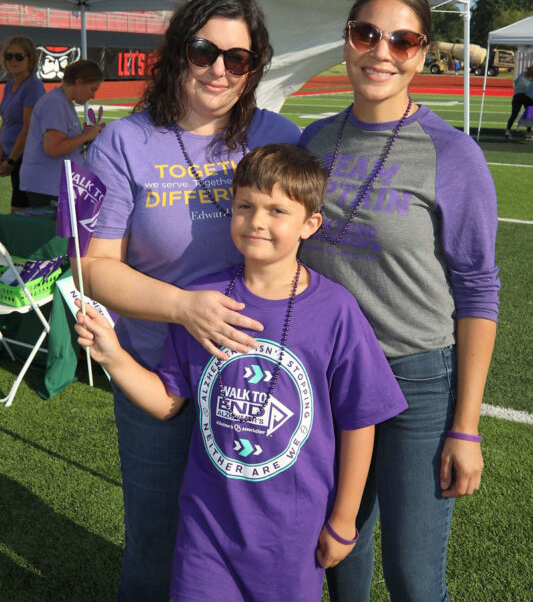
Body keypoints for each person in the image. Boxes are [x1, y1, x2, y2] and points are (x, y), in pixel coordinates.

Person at [75, 143, 407, 602]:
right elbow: (167, 401)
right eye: (245, 205)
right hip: (206, 530)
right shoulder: (203, 302)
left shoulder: (335, 312)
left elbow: (360, 420)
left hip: (293, 537)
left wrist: (345, 519)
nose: (257, 221)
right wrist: (111, 354)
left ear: (310, 224)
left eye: (277, 210)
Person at [76, 0, 302, 602]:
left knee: (251, 540)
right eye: (205, 51)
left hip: (254, 380)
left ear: (255, 68)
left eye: (239, 58)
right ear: (178, 52)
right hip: (156, 371)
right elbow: (94, 267)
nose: (219, 70)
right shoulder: (123, 142)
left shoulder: (281, 135)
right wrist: (184, 307)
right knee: (154, 543)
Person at [299, 0, 500, 602]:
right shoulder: (316, 139)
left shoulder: (453, 153)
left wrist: (465, 427)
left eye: (403, 42)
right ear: (346, 40)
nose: (381, 52)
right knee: (339, 562)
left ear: (421, 54)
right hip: (329, 378)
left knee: (414, 577)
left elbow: (477, 289)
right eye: (367, 33)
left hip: (416, 378)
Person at [20, 59, 104, 207]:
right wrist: (86, 136)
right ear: (79, 81)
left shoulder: (62, 102)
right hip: (47, 187)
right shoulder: (55, 103)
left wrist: (86, 138)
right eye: (93, 89)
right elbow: (53, 149)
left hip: (50, 185)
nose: (93, 96)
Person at [0, 36, 45, 210]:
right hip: (14, 158)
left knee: (20, 213)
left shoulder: (33, 86)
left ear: (30, 58)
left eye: (19, 56)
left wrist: (10, 161)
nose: (13, 60)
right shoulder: (10, 84)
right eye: (8, 56)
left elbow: (28, 129)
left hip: (26, 160)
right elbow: (7, 120)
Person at [505, 64, 533, 138]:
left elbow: (515, 83)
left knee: (514, 114)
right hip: (528, 97)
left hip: (517, 95)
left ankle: (508, 130)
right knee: (529, 114)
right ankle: (528, 131)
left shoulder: (522, 74)